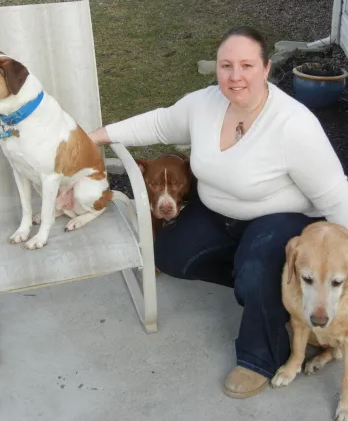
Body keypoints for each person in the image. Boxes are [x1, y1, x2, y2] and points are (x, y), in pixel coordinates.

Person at [88, 26, 348, 399]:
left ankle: (258, 358)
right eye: (227, 65)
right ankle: (273, 293)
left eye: (246, 65)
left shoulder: (294, 125)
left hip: (280, 219)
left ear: (266, 68)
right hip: (217, 211)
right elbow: (159, 122)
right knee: (172, 254)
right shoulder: (204, 103)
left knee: (257, 267)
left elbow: (336, 196)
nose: (235, 75)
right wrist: (93, 137)